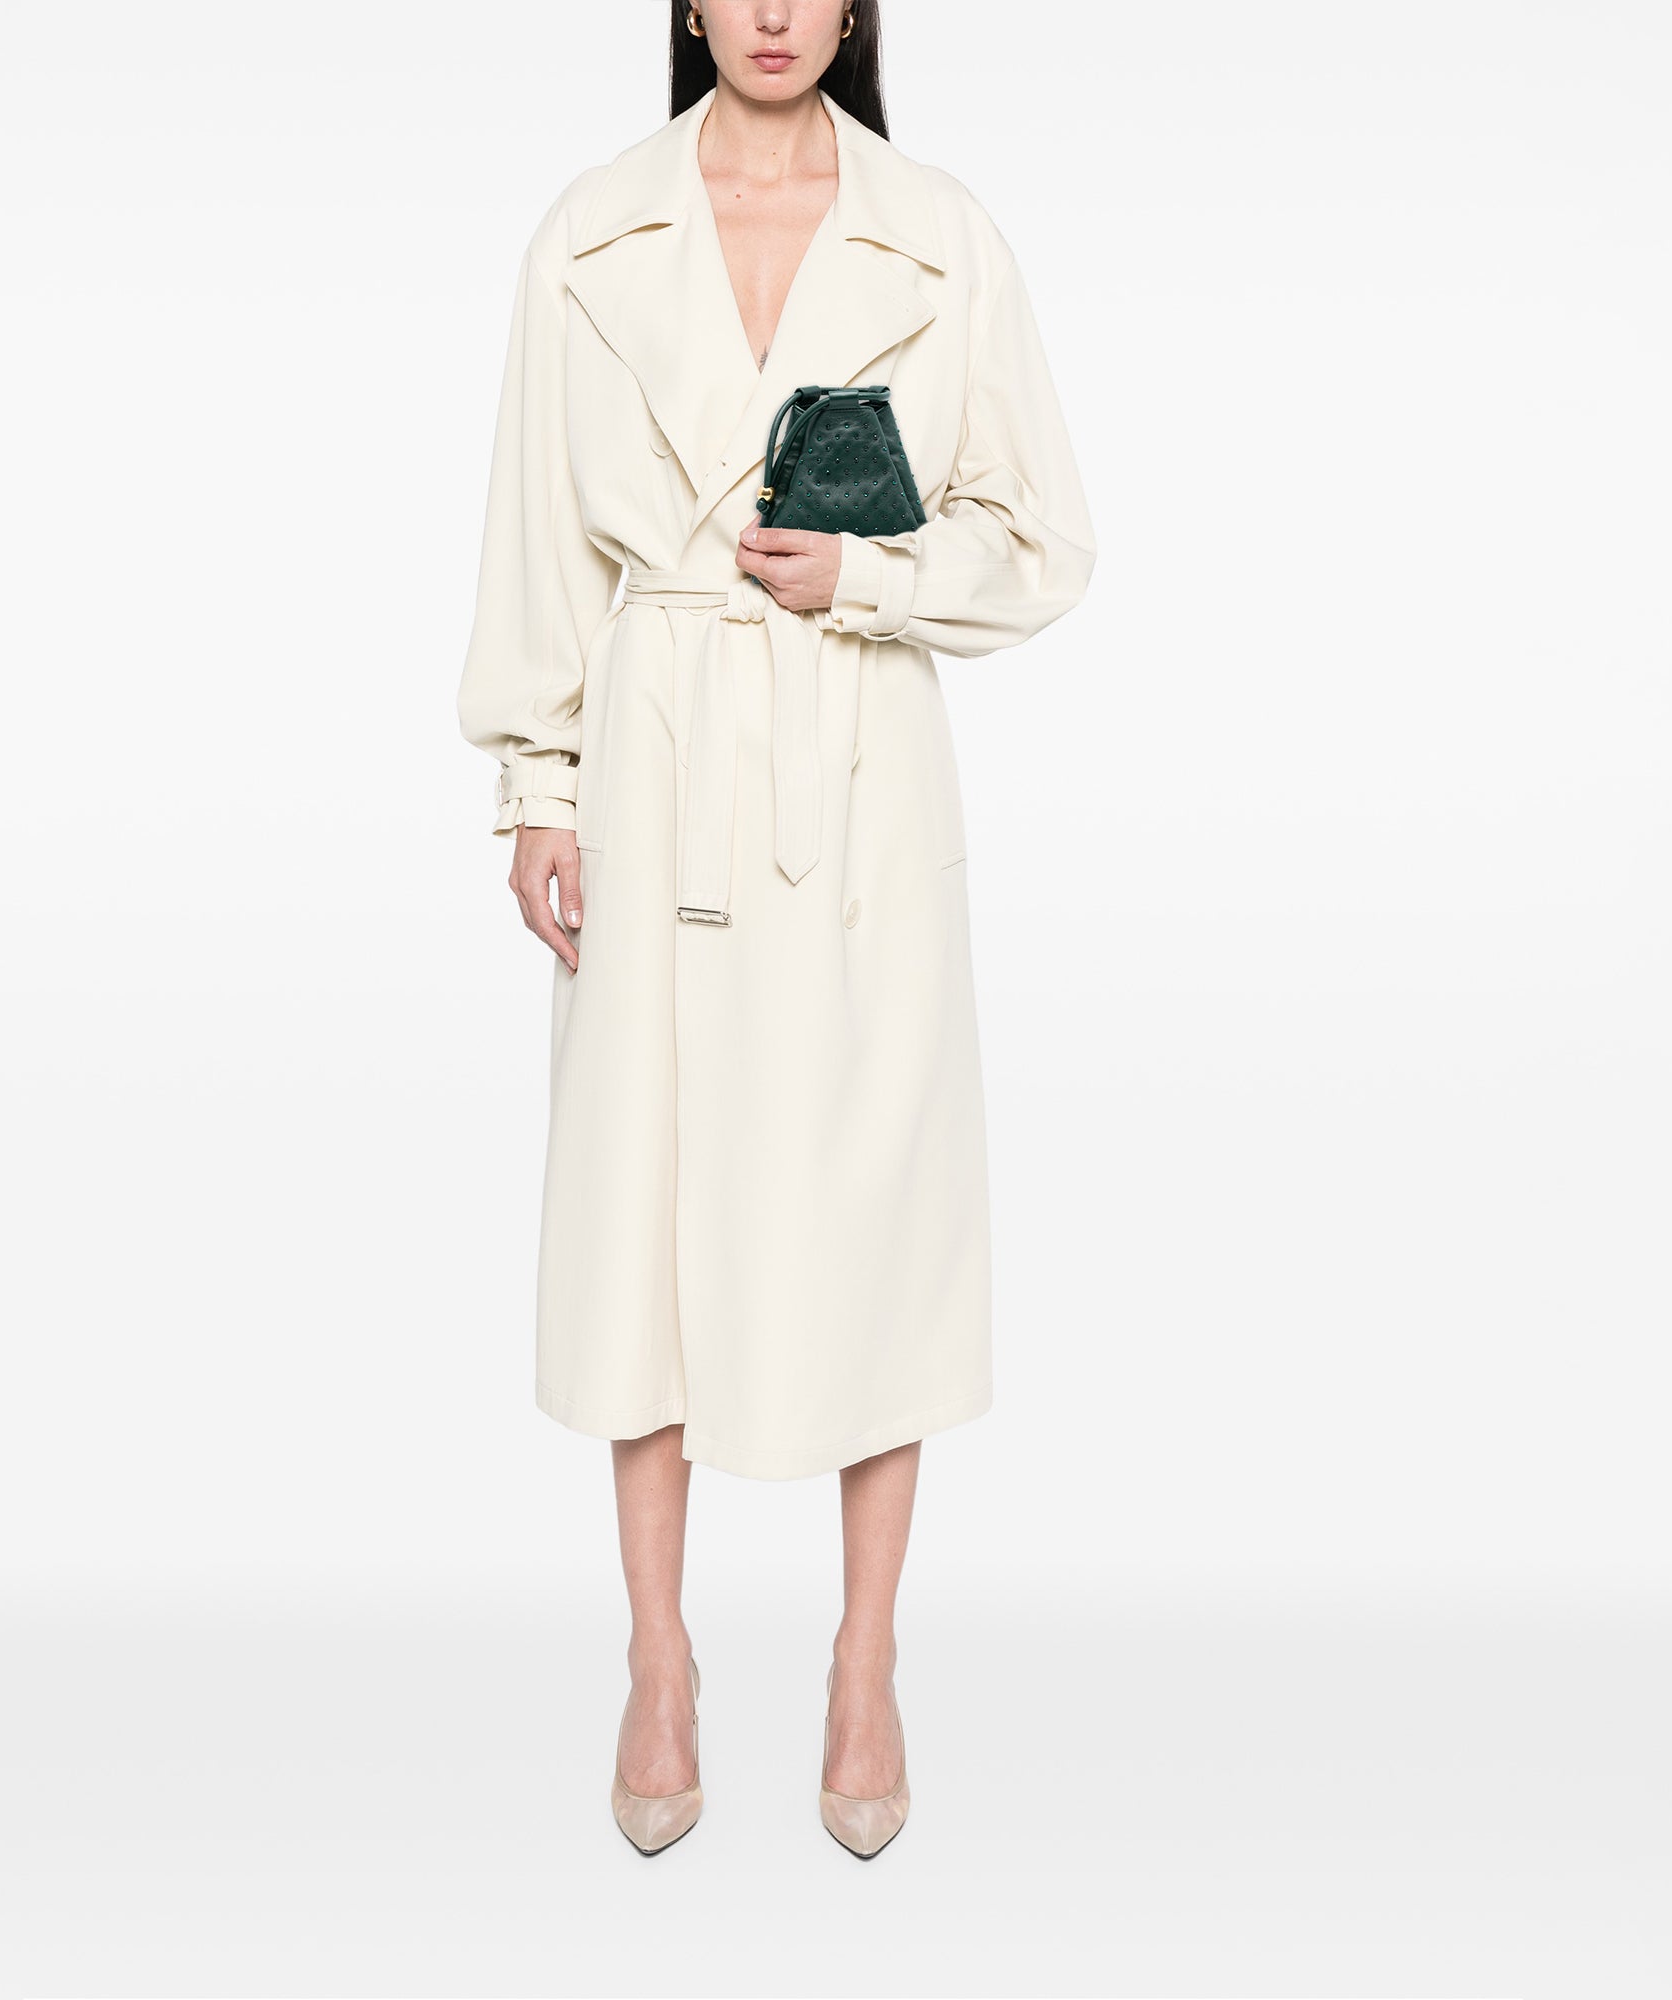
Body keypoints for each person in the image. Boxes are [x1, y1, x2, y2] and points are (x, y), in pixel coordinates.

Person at [456, 0, 1094, 1858]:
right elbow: (533, 534)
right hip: (653, 758)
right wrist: (538, 783)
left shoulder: (939, 233)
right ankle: (657, 1658)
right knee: (639, 1201)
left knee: (874, 1192)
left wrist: (872, 575)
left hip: (855, 762)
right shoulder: (592, 231)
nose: (773, 11)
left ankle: (865, 1659)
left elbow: (1044, 539)